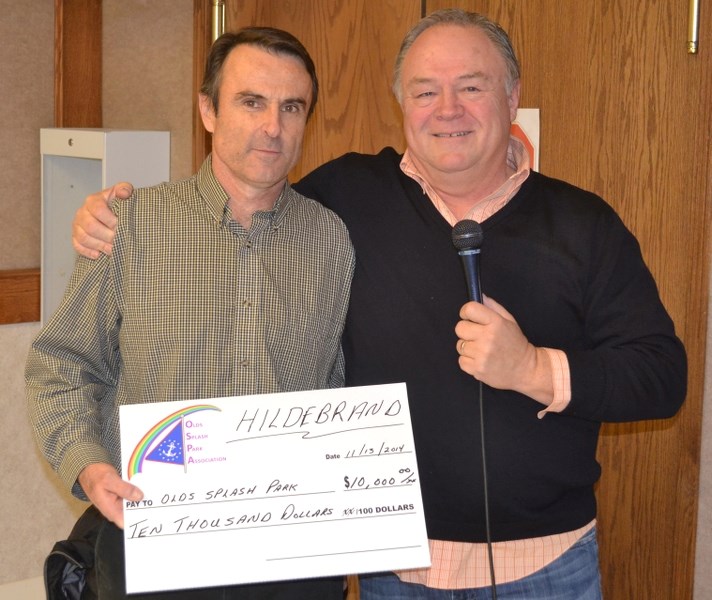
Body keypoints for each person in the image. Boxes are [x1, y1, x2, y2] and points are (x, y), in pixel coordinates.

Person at [70, 9, 687, 600]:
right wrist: (118, 215)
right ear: (401, 104)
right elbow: (245, 195)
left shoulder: (584, 224)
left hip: (547, 565)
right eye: (424, 92)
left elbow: (662, 376)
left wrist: (533, 369)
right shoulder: (344, 199)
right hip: (394, 569)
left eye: (470, 86)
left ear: (511, 93)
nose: (447, 109)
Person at [27, 27, 355, 600]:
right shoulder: (132, 226)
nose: (272, 127)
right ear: (208, 108)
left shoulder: (330, 239)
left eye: (291, 107)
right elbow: (60, 367)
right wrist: (89, 467)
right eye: (251, 102)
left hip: (294, 559)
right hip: (155, 546)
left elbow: (338, 384)